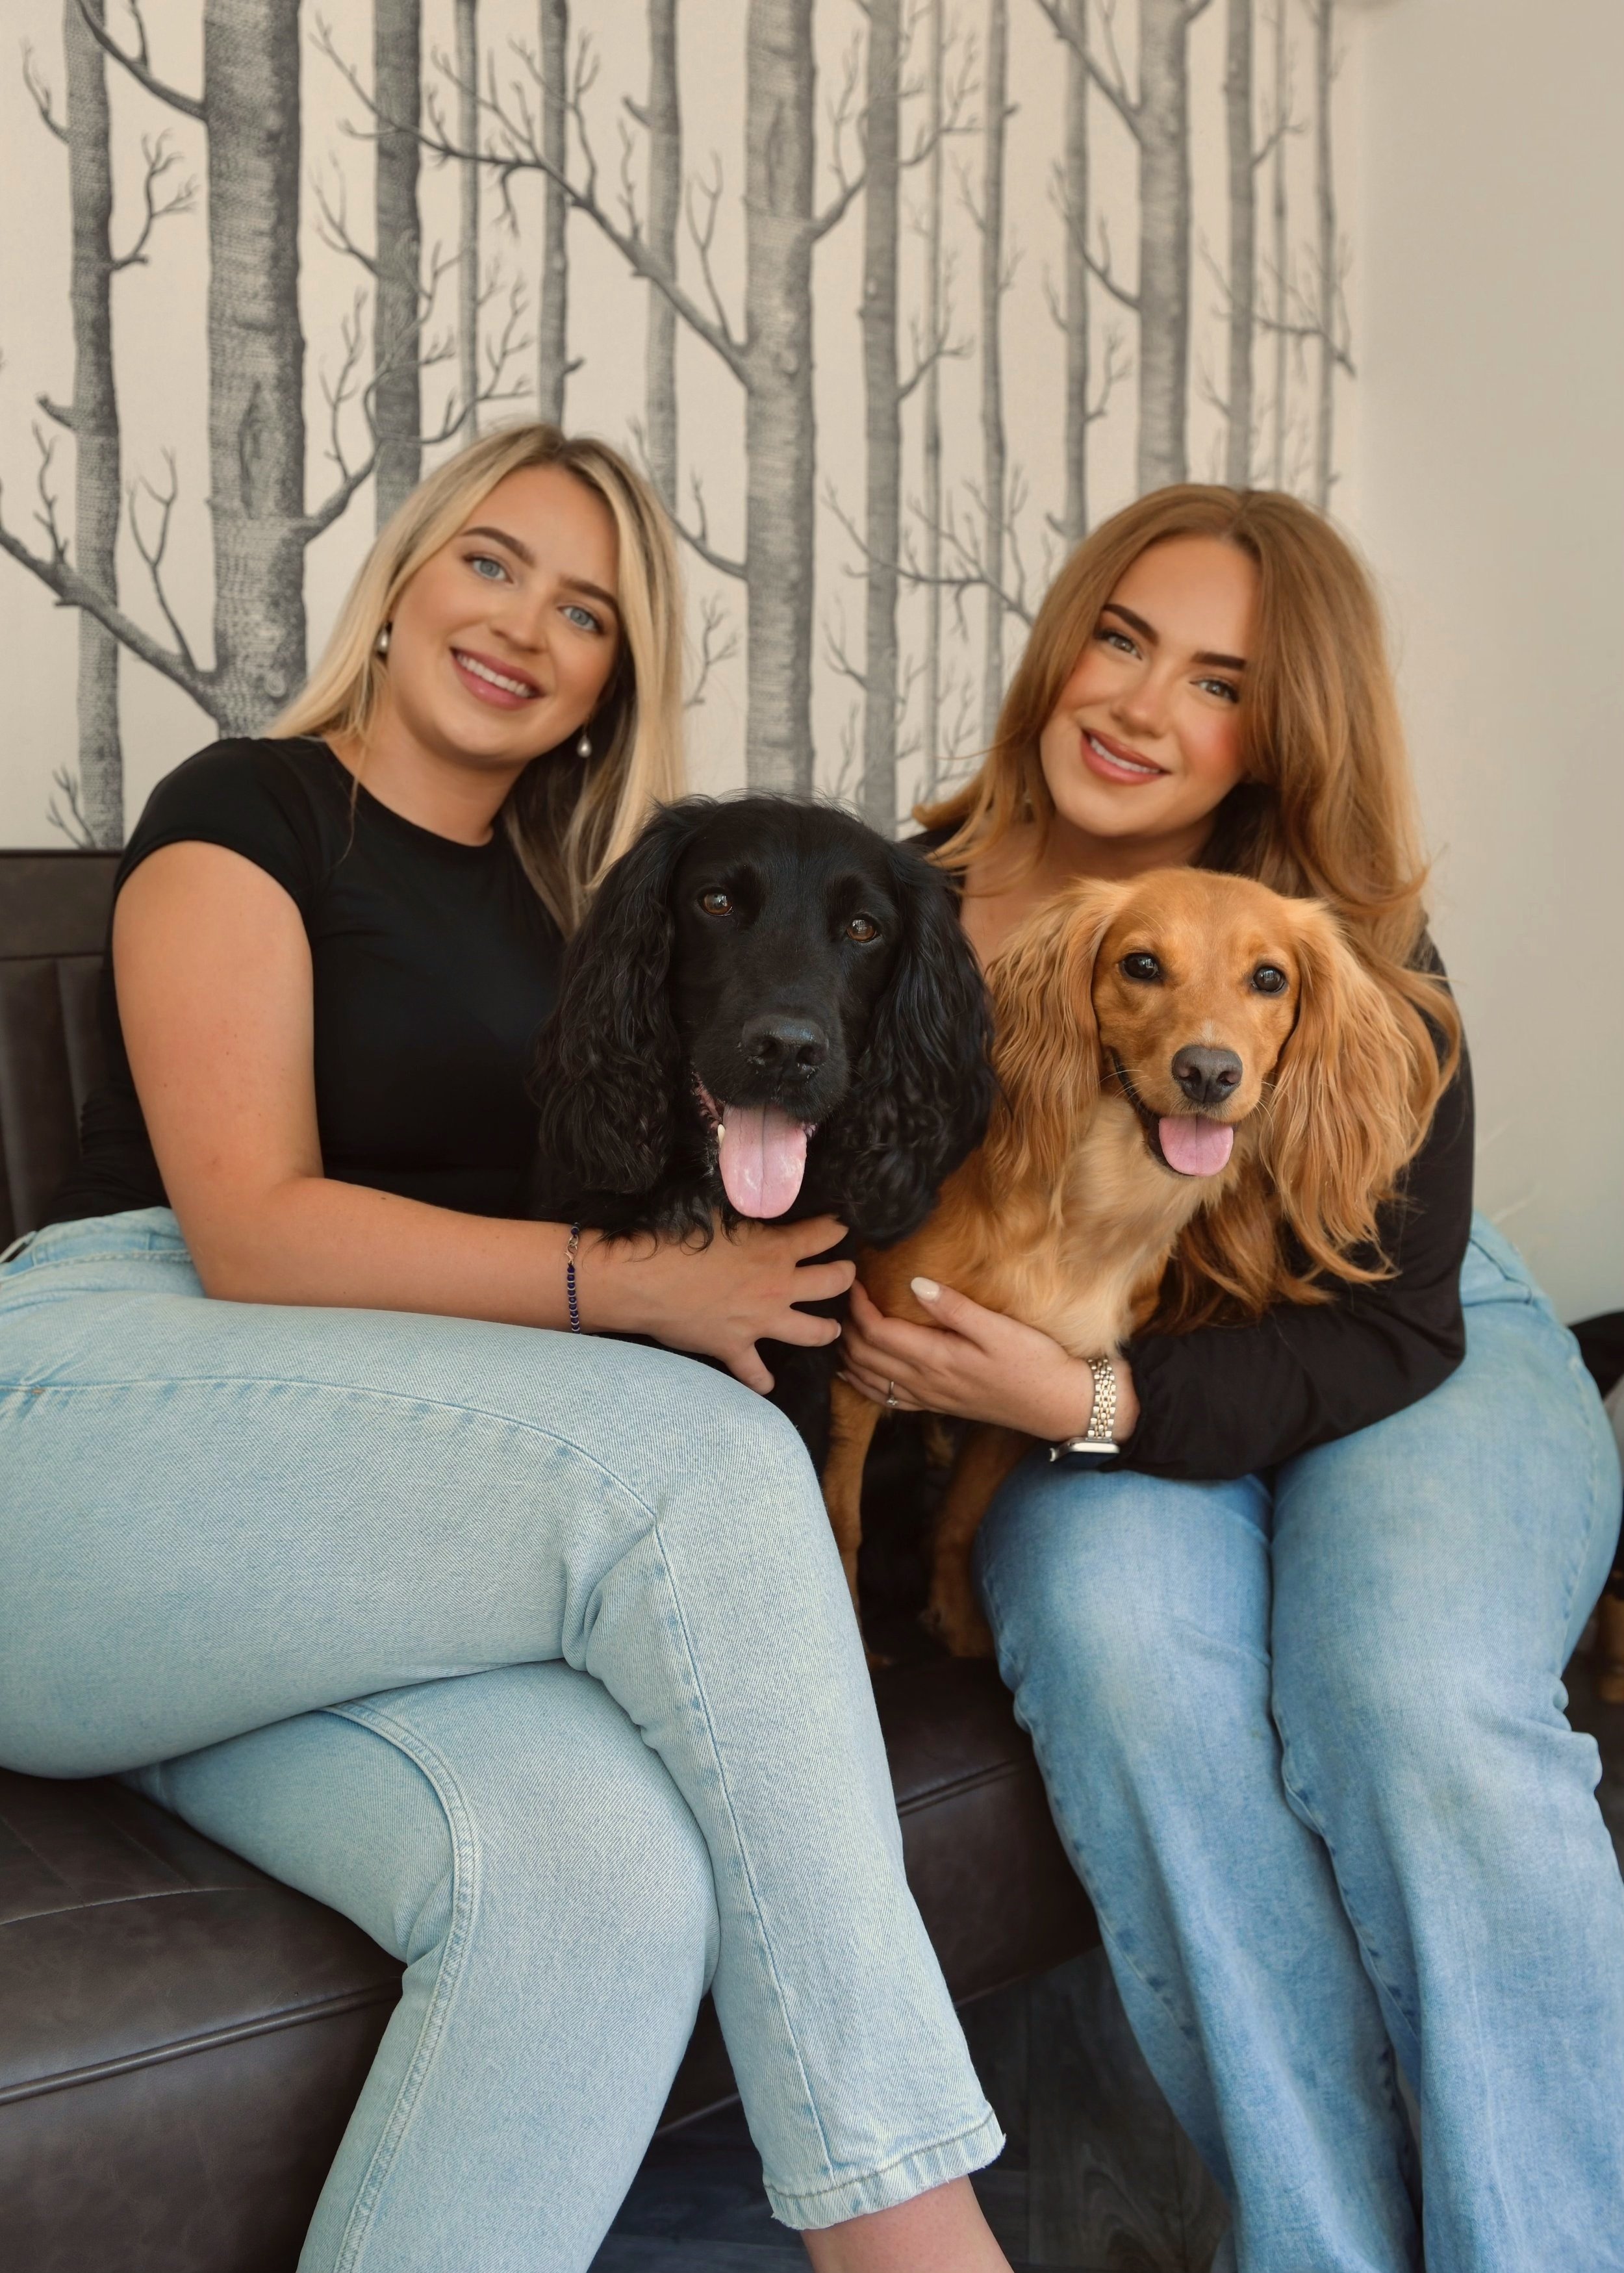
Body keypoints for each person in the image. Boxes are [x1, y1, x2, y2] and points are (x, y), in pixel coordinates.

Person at [0, 423, 1013, 2273]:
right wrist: (641, 1289)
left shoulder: (596, 927)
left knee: (598, 1884)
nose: (524, 627)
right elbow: (249, 1230)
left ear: (611, 682)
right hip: (100, 1412)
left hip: (323, 1553)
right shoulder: (246, 809)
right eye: (490, 564)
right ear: (400, 586)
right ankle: (917, 2236)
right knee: (707, 1467)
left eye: (586, 612)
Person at [839, 486, 1624, 2273]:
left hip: (1392, 1348)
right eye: (1121, 640)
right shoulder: (891, 912)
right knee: (1122, 1660)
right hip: (1090, 1380)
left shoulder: (1331, 934)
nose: (1139, 705)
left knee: (1408, 1693)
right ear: (1061, 649)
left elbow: (1397, 1318)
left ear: (1277, 735)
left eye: (1218, 682)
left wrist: (1090, 1409)